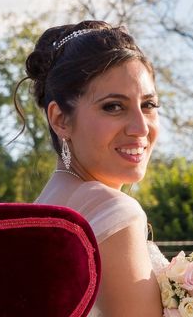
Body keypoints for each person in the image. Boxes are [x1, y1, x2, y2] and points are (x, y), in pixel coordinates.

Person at [19, 20, 164, 316]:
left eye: (148, 105)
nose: (140, 128)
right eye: (113, 106)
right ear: (60, 118)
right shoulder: (117, 213)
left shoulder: (42, 208)